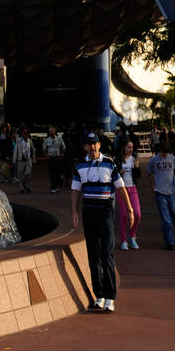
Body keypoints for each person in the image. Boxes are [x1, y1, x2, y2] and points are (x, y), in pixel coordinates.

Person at [70, 132, 124, 312]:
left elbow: (120, 186)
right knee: (93, 253)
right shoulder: (80, 166)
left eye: (95, 144)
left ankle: (110, 296)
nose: (92, 147)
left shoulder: (109, 163)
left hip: (106, 211)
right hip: (89, 212)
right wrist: (74, 212)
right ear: (85, 147)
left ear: (99, 145)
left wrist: (130, 209)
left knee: (106, 252)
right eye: (89, 144)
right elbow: (75, 190)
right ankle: (99, 295)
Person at [147, 141, 175, 249]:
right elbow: (148, 173)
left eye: (167, 153)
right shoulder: (154, 160)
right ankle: (169, 241)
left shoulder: (172, 158)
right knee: (166, 218)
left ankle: (166, 228)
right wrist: (153, 184)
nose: (165, 155)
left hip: (172, 190)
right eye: (163, 153)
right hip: (160, 191)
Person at [117, 140, 141, 250]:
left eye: (132, 147)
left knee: (137, 214)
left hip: (133, 188)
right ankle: (123, 240)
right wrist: (119, 172)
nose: (130, 149)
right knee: (123, 215)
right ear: (123, 148)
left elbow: (138, 175)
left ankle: (132, 236)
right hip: (122, 189)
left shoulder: (134, 160)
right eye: (128, 147)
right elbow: (113, 174)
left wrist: (136, 167)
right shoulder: (118, 160)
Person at [42, 125, 66, 192]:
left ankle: (56, 186)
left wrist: (61, 155)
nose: (51, 132)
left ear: (55, 131)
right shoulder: (47, 140)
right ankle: (53, 188)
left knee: (58, 173)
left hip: (57, 158)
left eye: (52, 131)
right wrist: (46, 156)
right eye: (49, 131)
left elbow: (64, 148)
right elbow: (44, 149)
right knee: (52, 173)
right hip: (50, 159)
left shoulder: (59, 139)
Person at [12, 127, 35, 193]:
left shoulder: (30, 141)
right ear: (22, 134)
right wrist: (14, 160)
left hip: (28, 160)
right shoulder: (19, 141)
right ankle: (22, 187)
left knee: (27, 173)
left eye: (27, 133)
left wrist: (33, 159)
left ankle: (26, 185)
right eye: (24, 133)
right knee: (20, 174)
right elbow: (16, 150)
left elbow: (33, 150)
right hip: (21, 160)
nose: (26, 135)